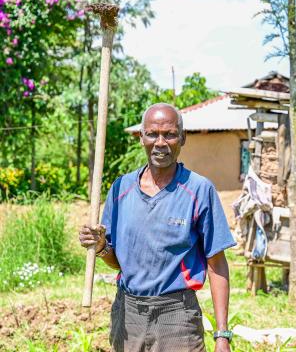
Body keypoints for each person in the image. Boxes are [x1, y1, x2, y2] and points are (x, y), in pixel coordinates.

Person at [79, 103, 236, 352]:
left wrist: (222, 335)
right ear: (141, 138)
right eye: (152, 134)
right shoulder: (121, 189)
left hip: (177, 316)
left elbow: (217, 264)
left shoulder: (198, 190)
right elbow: (118, 261)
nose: (160, 142)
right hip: (128, 313)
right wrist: (100, 247)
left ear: (182, 138)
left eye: (170, 134)